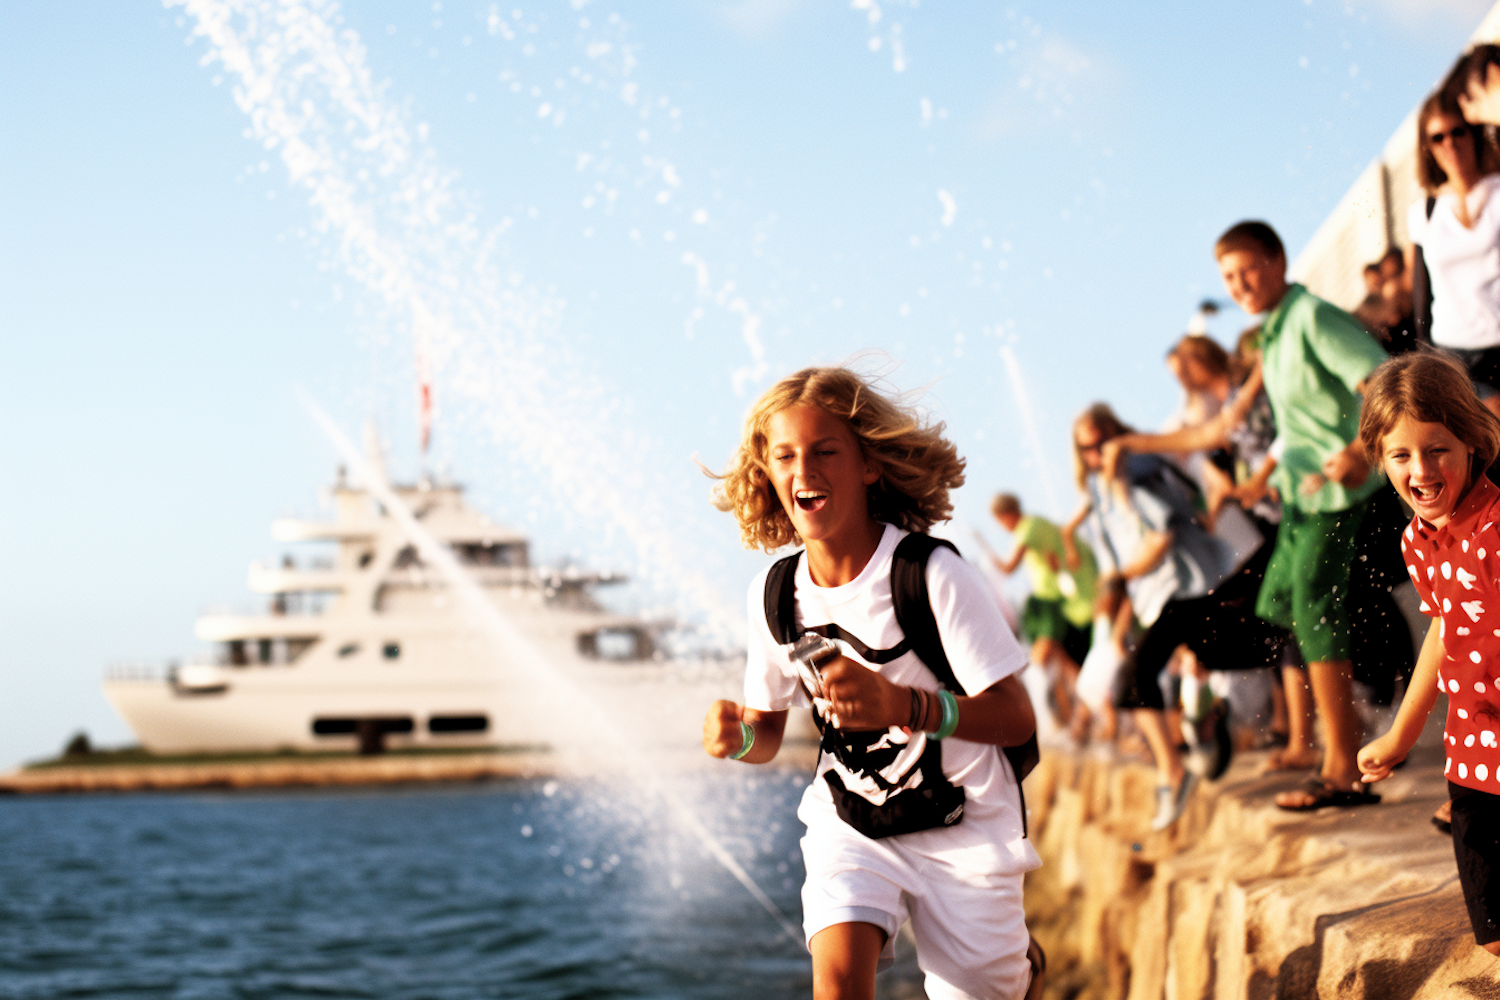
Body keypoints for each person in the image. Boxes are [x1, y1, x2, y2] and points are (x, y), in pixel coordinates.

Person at [702, 365, 1042, 1000]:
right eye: (786, 456)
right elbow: (768, 737)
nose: (805, 470)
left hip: (964, 825)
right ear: (768, 473)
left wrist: (906, 706)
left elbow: (1015, 718)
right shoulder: (775, 595)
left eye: (826, 450)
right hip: (852, 819)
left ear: (868, 465)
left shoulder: (930, 573)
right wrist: (737, 741)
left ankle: (1019, 971)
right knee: (837, 988)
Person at [1215, 220, 1390, 811]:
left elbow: (1380, 380)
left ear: (1278, 261)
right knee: (1280, 603)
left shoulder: (1312, 316)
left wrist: (1361, 449)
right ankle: (1345, 727)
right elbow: (1291, 426)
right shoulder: (1270, 333)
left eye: (1248, 270)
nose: (1240, 285)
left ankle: (1342, 768)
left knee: (1314, 602)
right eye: (1228, 278)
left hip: (1338, 493)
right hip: (1298, 496)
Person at [1356, 350, 1500, 956]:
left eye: (1438, 448)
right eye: (1401, 455)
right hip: (1471, 758)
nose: (1421, 469)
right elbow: (1443, 632)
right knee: (1493, 933)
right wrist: (1399, 736)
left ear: (1472, 442)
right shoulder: (1417, 540)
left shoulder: (1495, 527)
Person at [1067, 403, 1253, 829]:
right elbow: (1129, 563)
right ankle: (1207, 726)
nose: (1097, 453)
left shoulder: (1135, 471)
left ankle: (1174, 769)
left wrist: (1118, 577)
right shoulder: (1102, 486)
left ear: (1118, 435)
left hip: (1185, 585)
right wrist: (1119, 606)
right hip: (1162, 592)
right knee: (1195, 661)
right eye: (1087, 448)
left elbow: (1160, 540)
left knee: (1134, 679)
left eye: (1102, 442)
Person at [1407, 88, 1500, 418]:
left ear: (1473, 132)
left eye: (1457, 131)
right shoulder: (1424, 212)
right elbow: (1420, 293)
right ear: (1428, 148)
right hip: (1455, 354)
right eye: (1437, 137)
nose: (1449, 143)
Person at [989, 493, 1095, 736]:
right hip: (1056, 599)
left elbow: (1009, 568)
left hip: (1048, 600)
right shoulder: (1041, 524)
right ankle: (1072, 718)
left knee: (1042, 659)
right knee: (1060, 662)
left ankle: (1053, 721)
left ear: (1006, 515)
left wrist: (994, 561)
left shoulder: (1028, 528)